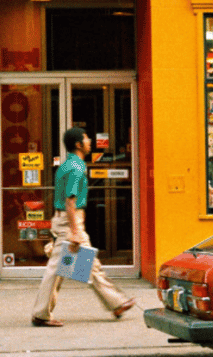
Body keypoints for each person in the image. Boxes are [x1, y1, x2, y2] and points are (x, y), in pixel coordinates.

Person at [31, 127, 136, 326]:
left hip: (67, 220)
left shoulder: (66, 165)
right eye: (86, 138)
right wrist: (76, 231)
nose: (90, 141)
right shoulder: (76, 168)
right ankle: (41, 314)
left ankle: (116, 303)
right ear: (79, 144)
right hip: (68, 224)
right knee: (58, 270)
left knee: (87, 266)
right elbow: (70, 200)